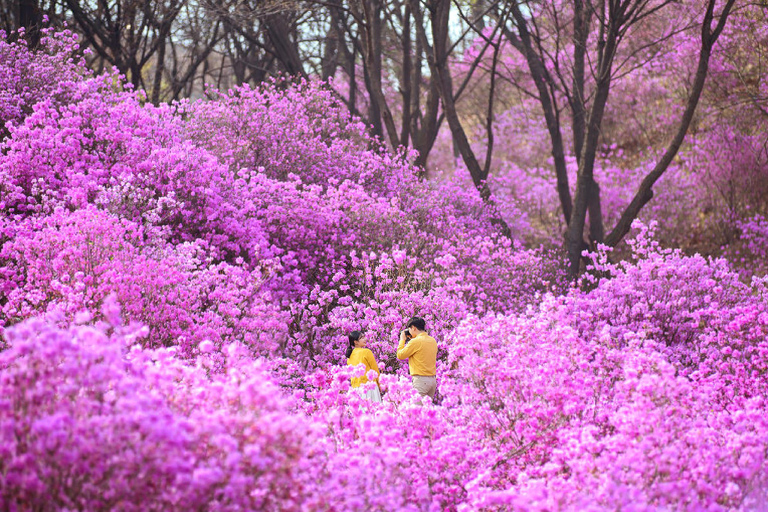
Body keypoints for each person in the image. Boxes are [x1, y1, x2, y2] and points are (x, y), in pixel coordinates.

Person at [396, 316, 438, 401]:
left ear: (413, 328)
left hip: (421, 381)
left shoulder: (415, 342)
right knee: (428, 411)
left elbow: (400, 355)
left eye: (410, 329)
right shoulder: (432, 340)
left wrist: (402, 340)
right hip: (432, 381)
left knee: (417, 411)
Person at [346, 330, 382, 402]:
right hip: (370, 387)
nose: (365, 339)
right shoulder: (366, 352)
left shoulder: (349, 356)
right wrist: (379, 384)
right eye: (362, 338)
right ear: (355, 342)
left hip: (356, 389)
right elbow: (375, 370)